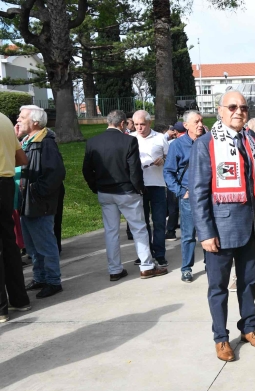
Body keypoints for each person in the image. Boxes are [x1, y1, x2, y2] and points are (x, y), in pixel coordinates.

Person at [189, 90, 255, 362]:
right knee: (218, 288)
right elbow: (198, 192)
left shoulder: (252, 140)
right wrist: (205, 232)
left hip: (250, 227)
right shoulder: (206, 144)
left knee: (248, 283)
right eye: (232, 107)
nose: (239, 111)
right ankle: (221, 338)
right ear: (220, 111)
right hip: (220, 231)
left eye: (243, 107)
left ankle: (248, 328)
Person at [82, 110, 167, 281]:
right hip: (127, 192)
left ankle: (115, 269)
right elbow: (134, 169)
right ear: (122, 124)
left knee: (111, 231)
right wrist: (139, 188)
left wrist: (95, 187)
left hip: (105, 192)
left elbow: (86, 170)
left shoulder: (93, 142)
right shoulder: (129, 140)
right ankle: (147, 266)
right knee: (139, 228)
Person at [17, 105, 65, 299]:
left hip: (38, 203)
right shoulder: (27, 141)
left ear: (35, 122)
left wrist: (36, 191)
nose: (18, 120)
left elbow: (56, 173)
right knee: (32, 245)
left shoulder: (46, 143)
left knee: (45, 243)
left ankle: (53, 281)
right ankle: (40, 277)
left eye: (22, 117)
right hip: (26, 202)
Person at [164, 110, 205, 283]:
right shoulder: (177, 145)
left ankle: (211, 264)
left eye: (201, 121)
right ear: (186, 125)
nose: (200, 124)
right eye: (196, 122)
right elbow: (168, 172)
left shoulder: (209, 141)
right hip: (189, 195)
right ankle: (186, 268)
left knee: (209, 232)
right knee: (188, 235)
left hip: (208, 195)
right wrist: (182, 192)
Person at [0, 111, 30, 323]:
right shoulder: (4, 119)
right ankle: (19, 299)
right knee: (9, 242)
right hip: (6, 184)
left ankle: (1, 308)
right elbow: (22, 158)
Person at [131, 110, 169, 268]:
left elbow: (169, 157)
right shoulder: (131, 138)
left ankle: (159, 254)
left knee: (159, 221)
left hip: (157, 184)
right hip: (139, 185)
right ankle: (145, 253)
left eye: (142, 124)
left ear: (149, 123)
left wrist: (163, 159)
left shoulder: (160, 138)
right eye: (136, 124)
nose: (139, 128)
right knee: (142, 222)